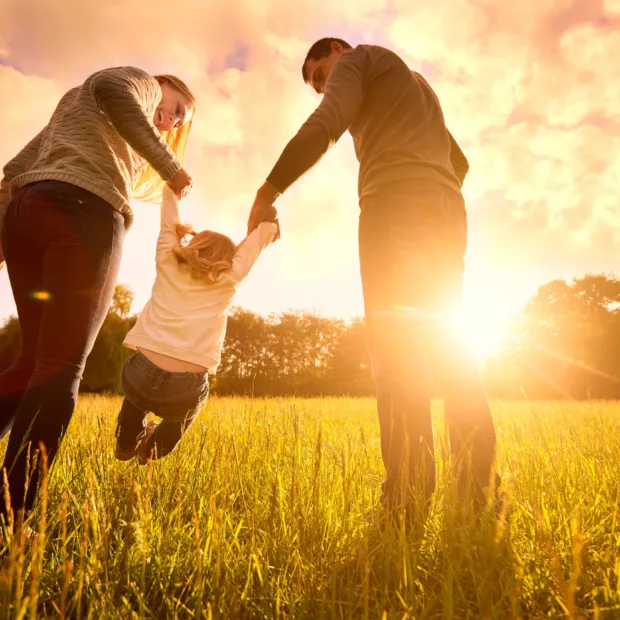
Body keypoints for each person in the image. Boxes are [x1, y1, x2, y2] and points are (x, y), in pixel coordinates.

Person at [247, 38, 499, 509]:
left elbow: (327, 122)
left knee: (397, 352)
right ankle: (479, 495)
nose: (324, 88)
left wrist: (269, 190)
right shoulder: (415, 83)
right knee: (453, 350)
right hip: (445, 209)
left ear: (338, 51)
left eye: (322, 75)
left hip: (394, 208)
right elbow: (458, 161)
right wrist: (429, 187)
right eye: (318, 85)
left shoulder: (359, 59)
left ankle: (406, 497)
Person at [0, 66, 195, 524]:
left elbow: (13, 171)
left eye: (178, 121)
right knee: (62, 368)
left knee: (33, 362)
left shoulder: (76, 106)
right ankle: (13, 512)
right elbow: (113, 88)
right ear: (160, 86)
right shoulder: (137, 83)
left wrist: (6, 238)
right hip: (84, 212)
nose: (169, 120)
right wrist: (171, 167)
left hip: (29, 213)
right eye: (175, 108)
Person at [114, 187, 278, 463]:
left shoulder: (168, 260)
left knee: (135, 399)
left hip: (141, 371)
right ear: (229, 260)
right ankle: (152, 449)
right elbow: (255, 246)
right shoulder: (229, 279)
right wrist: (268, 224)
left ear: (194, 244)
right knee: (183, 416)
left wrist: (171, 190)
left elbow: (168, 222)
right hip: (186, 385)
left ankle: (126, 443)